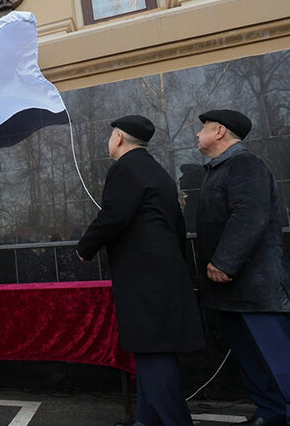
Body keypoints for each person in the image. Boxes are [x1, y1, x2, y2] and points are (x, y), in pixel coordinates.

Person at [195, 110, 290, 426]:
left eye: (202, 130)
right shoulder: (219, 169)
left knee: (280, 357)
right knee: (250, 357)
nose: (196, 136)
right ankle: (271, 412)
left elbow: (249, 216)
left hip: (255, 284)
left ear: (220, 131)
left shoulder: (245, 164)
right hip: (231, 286)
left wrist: (225, 262)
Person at [76, 115, 204, 426]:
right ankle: (146, 421)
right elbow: (177, 225)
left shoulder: (125, 168)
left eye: (110, 137)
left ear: (118, 139)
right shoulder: (156, 170)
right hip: (164, 272)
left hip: (145, 277)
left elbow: (114, 216)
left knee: (153, 353)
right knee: (151, 350)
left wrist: (85, 248)